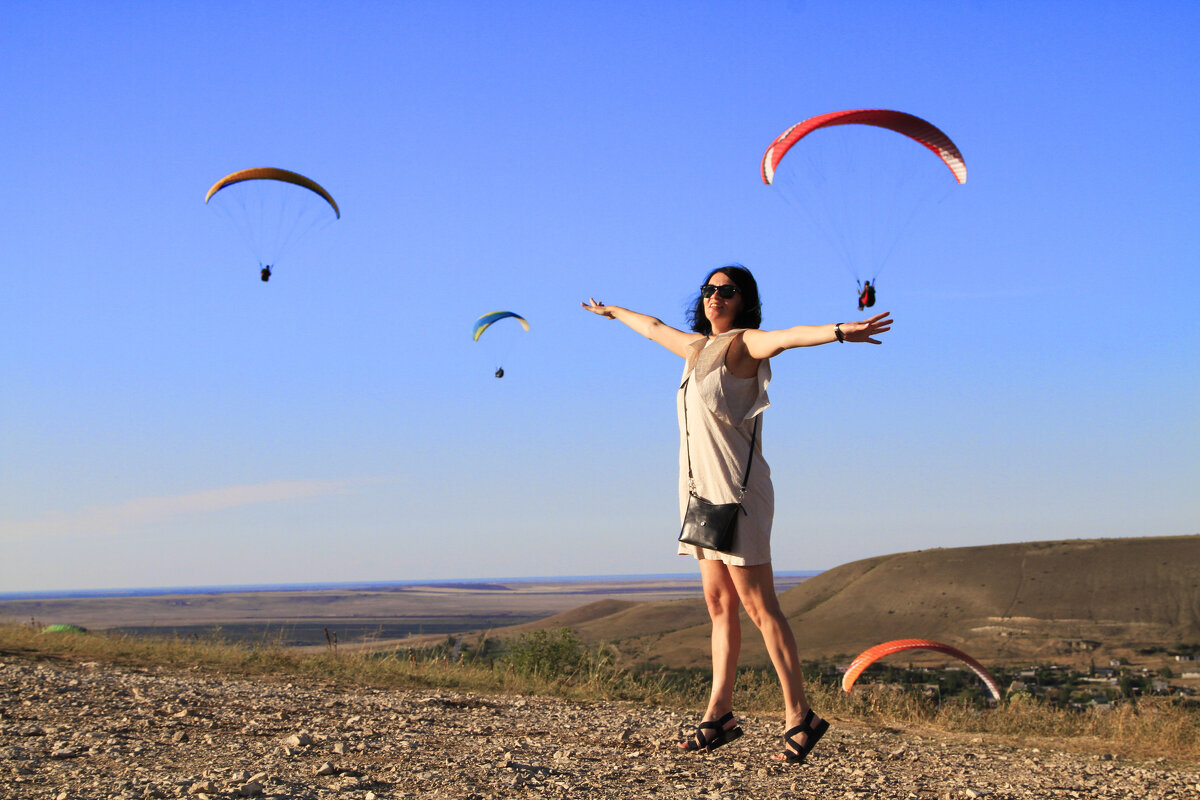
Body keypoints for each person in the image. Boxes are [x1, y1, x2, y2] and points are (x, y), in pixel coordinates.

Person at [581, 264, 892, 765]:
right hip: (699, 494)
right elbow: (655, 326)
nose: (714, 297)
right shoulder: (695, 348)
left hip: (738, 493)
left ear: (744, 300)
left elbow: (788, 338)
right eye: (708, 290)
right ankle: (719, 714)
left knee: (759, 606)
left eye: (726, 291)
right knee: (719, 604)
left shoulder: (745, 343)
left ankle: (800, 716)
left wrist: (838, 332)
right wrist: (612, 311)